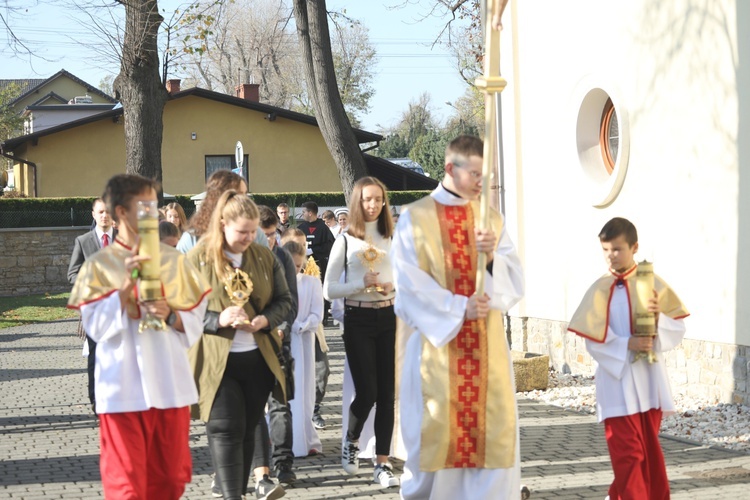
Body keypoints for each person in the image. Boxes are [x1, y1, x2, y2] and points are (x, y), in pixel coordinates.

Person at [390, 135, 524, 499]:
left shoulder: (490, 219)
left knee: (492, 450)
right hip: (436, 354)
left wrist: (493, 256)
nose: (482, 182)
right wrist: (458, 307)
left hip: (488, 354)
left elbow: (515, 284)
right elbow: (408, 288)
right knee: (433, 451)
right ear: (451, 168)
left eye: (486, 174)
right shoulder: (415, 219)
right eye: (475, 173)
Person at [67, 174, 210, 499]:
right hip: (122, 390)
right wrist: (123, 288)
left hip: (170, 386)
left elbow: (196, 321)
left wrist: (171, 314)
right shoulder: (99, 265)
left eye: (153, 206)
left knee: (170, 482)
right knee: (127, 486)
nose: (152, 213)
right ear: (120, 213)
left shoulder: (175, 260)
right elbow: (96, 328)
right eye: (143, 207)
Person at [568, 217, 689, 500]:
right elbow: (593, 340)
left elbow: (678, 328)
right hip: (616, 386)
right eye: (606, 250)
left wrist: (658, 320)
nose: (611, 256)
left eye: (617, 249)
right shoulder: (599, 289)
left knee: (647, 456)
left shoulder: (652, 283)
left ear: (634, 247)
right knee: (628, 456)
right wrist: (626, 344)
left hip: (649, 385)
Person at [187, 191, 292, 500]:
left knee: (247, 429)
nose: (248, 237)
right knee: (225, 428)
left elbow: (285, 301)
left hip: (257, 359)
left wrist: (264, 321)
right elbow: (178, 307)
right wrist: (217, 320)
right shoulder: (199, 257)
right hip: (217, 360)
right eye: (241, 232)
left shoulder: (264, 256)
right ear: (222, 224)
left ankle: (239, 493)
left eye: (252, 231)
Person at [323, 176, 399, 488]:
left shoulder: (391, 237)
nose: (373, 205)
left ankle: (382, 463)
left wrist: (394, 286)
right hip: (357, 319)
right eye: (367, 199)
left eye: (378, 199)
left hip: (388, 316)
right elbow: (328, 289)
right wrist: (360, 284)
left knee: (386, 394)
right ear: (358, 202)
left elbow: (406, 276)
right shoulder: (345, 240)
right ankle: (351, 440)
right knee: (367, 391)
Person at [248, 205, 299, 486]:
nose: (268, 241)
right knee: (254, 408)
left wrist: (280, 327)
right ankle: (259, 467)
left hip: (279, 340)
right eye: (262, 235)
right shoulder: (243, 257)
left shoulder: (283, 258)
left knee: (280, 405)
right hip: (251, 341)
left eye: (271, 235)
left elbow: (291, 301)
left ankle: (284, 463)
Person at [67, 197, 116, 416]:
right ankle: (96, 400)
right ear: (93, 215)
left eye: (108, 212)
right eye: (101, 212)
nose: (105, 216)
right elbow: (72, 273)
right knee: (96, 356)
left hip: (120, 310)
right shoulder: (83, 241)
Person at [285, 241, 324, 457]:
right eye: (292, 266)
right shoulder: (278, 281)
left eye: (299, 266)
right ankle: (286, 439)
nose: (296, 270)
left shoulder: (311, 283)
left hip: (304, 340)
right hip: (285, 339)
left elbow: (317, 313)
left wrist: (304, 324)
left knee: (305, 390)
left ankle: (305, 437)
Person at [177, 170, 267, 254]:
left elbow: (268, 265)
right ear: (218, 197)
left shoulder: (256, 234)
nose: (244, 199)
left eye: (245, 194)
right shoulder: (193, 238)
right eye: (238, 194)